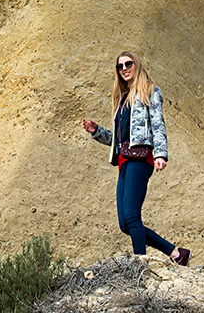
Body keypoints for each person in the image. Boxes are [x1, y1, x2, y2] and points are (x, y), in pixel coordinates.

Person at [82, 50, 191, 265]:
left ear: (137, 65)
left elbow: (158, 125)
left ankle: (140, 265)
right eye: (120, 66)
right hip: (124, 162)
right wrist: (97, 131)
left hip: (140, 160)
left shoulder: (150, 91)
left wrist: (160, 154)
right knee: (125, 223)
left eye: (128, 64)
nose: (124, 69)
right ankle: (177, 254)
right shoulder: (123, 100)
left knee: (132, 215)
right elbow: (120, 140)